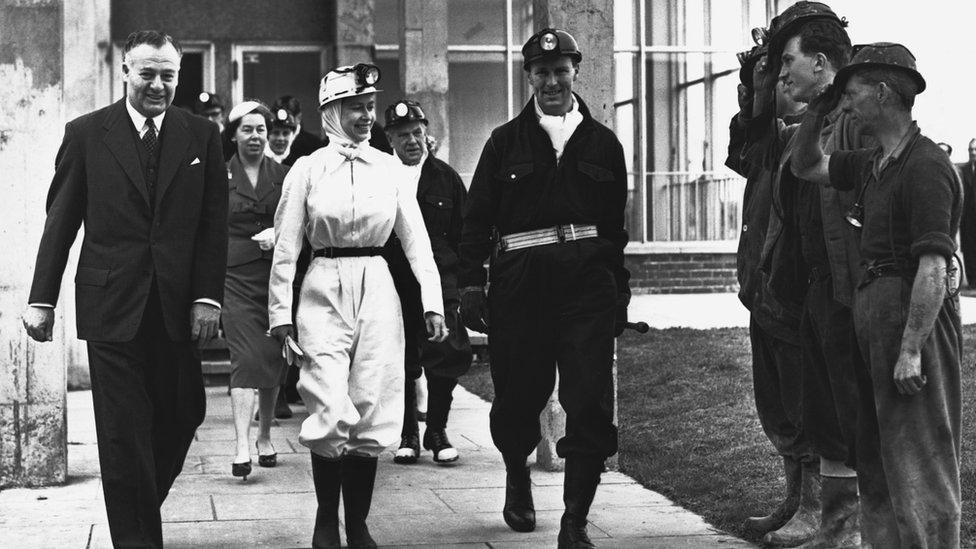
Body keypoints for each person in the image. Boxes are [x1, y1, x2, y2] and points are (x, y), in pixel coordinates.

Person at [22, 30, 227, 548]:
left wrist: (208, 296)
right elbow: (61, 221)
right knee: (122, 434)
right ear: (126, 73)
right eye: (148, 73)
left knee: (185, 413)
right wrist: (41, 298)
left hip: (177, 308)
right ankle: (137, 537)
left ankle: (134, 505)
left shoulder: (200, 135)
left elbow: (212, 225)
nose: (159, 84)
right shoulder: (88, 134)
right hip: (111, 306)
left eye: (169, 75)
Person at [459, 28, 630, 548]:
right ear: (529, 76)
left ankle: (574, 520)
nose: (552, 81)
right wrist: (470, 284)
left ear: (576, 71)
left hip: (585, 290)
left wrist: (617, 294)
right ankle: (517, 474)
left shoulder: (603, 143)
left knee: (589, 404)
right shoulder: (504, 142)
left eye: (561, 71)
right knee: (517, 397)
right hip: (521, 290)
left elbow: (613, 231)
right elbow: (476, 220)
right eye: (541, 72)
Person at [267, 63, 448, 549]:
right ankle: (327, 520)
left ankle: (360, 523)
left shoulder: (390, 168)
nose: (367, 116)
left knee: (371, 401)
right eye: (356, 108)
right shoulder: (306, 169)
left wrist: (433, 303)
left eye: (370, 107)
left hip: (378, 285)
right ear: (331, 111)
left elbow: (417, 244)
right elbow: (286, 246)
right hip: (322, 285)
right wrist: (279, 315)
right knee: (326, 398)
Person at [791, 42, 962, 548]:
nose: (846, 103)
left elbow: (934, 264)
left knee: (920, 456)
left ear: (883, 93)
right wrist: (816, 112)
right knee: (878, 457)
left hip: (913, 322)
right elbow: (805, 166)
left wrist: (911, 349)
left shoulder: (926, 165)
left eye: (853, 93)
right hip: (873, 317)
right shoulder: (873, 162)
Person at [743, 3, 869, 545]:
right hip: (798, 287)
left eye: (788, 60)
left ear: (820, 63)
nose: (782, 72)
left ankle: (838, 519)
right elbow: (754, 141)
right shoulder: (797, 127)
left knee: (835, 411)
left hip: (836, 291)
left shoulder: (852, 123)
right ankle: (819, 513)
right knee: (805, 408)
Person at [728, 46, 815, 541]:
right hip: (761, 291)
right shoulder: (765, 140)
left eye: (774, 81)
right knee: (777, 407)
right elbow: (744, 147)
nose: (757, 96)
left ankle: (817, 508)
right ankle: (794, 500)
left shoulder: (806, 136)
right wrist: (753, 92)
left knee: (804, 406)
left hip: (792, 294)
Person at [383, 99, 472, 465]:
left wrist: (465, 282)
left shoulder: (446, 178)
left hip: (441, 278)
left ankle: (436, 430)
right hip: (394, 280)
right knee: (401, 358)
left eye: (418, 132)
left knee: (445, 354)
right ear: (390, 138)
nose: (412, 141)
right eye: (403, 135)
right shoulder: (381, 176)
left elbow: (463, 235)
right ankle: (408, 433)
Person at [221, 100, 291, 480]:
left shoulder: (284, 175)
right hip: (233, 278)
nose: (255, 136)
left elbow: (301, 221)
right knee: (245, 359)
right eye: (247, 129)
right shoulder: (218, 176)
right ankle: (241, 445)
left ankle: (265, 436)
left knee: (270, 356)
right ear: (233, 135)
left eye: (261, 129)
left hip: (274, 278)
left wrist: (278, 235)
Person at [957, 139, 976, 287]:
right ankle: (973, 282)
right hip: (967, 219)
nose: (973, 153)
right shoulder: (963, 170)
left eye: (975, 149)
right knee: (969, 250)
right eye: (970, 150)